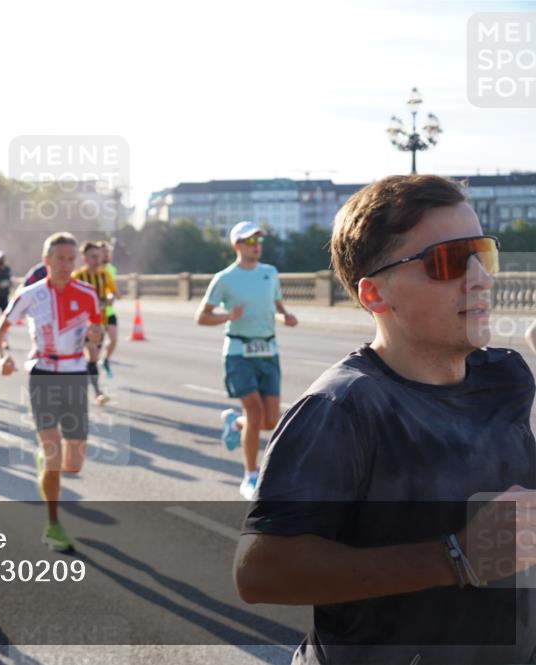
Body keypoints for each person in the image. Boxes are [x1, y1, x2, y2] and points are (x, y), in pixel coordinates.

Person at [234, 175, 536, 665]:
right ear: (375, 295)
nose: (481, 277)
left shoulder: (504, 377)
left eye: (483, 252)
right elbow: (259, 572)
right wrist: (454, 558)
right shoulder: (342, 407)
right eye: (450, 261)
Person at [0, 232, 103, 553]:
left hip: (74, 375)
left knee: (74, 464)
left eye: (72, 259)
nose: (67, 265)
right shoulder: (29, 295)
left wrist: (94, 341)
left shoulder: (88, 294)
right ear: (47, 261)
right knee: (54, 457)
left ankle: (46, 459)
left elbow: (94, 343)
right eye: (60, 259)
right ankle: (53, 524)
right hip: (41, 374)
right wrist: (3, 356)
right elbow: (0, 332)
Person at [195, 220, 298, 500]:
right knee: (254, 412)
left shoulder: (270, 273)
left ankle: (234, 423)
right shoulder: (225, 278)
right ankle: (251, 476)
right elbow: (202, 317)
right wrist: (228, 317)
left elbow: (276, 307)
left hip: (268, 350)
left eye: (259, 241)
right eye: (250, 242)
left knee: (269, 421)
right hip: (239, 353)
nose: (256, 246)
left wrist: (285, 317)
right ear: (236, 245)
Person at [72, 241, 116, 405]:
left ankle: (91, 390)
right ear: (85, 258)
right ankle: (97, 392)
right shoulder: (77, 277)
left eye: (99, 256)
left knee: (92, 357)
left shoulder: (104, 275)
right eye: (93, 256)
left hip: (99, 324)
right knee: (90, 355)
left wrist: (111, 296)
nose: (97, 260)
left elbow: (113, 290)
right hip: (80, 326)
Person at [98, 241, 120, 378]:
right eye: (103, 252)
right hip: (96, 313)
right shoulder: (92, 270)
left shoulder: (111, 269)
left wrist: (113, 295)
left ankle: (105, 360)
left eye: (108, 252)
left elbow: (113, 289)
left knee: (113, 339)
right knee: (96, 344)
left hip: (109, 311)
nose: (106, 255)